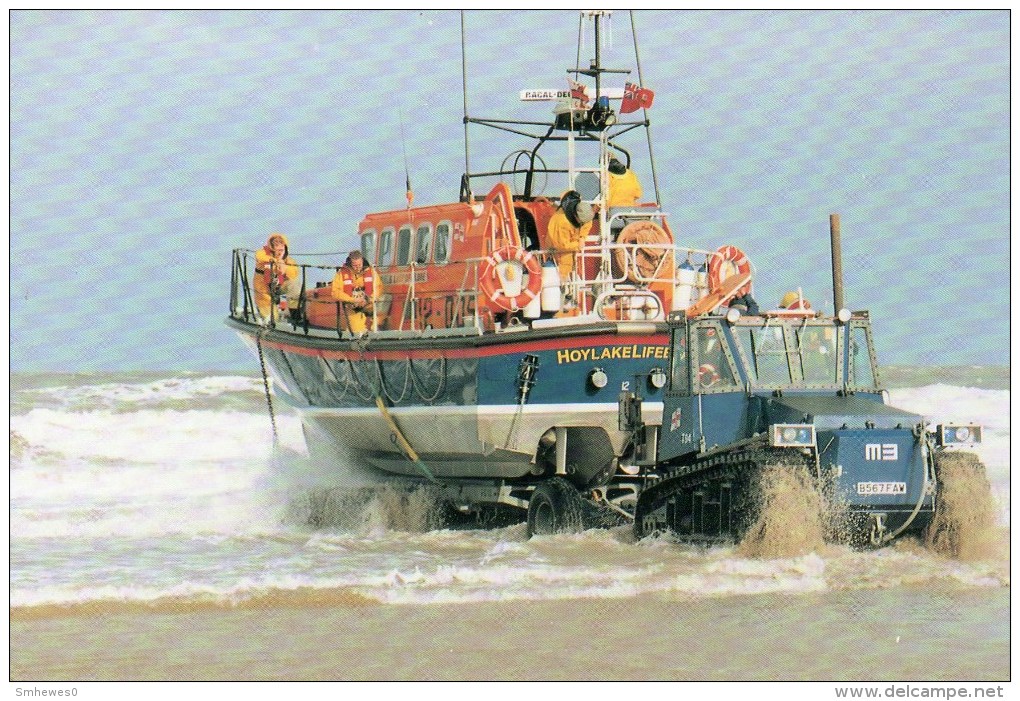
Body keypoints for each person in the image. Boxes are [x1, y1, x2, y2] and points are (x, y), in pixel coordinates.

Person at [332, 250, 382, 335]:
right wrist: (353, 300)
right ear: (350, 263)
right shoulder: (341, 273)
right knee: (357, 331)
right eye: (355, 265)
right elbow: (335, 292)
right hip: (352, 307)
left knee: (383, 304)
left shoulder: (371, 272)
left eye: (359, 265)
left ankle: (377, 329)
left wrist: (369, 298)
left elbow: (378, 287)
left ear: (362, 261)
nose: (358, 267)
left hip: (370, 304)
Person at [253, 232, 301, 323]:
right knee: (273, 319)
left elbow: (294, 273)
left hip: (279, 286)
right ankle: (267, 314)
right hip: (264, 292)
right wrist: (277, 262)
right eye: (277, 249)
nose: (279, 252)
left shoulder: (288, 260)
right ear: (272, 249)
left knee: (294, 284)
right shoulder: (262, 254)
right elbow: (260, 256)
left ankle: (295, 314)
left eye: (282, 250)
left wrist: (285, 268)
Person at [546, 190, 593, 278]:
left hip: (572, 245)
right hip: (559, 250)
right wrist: (578, 245)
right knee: (563, 271)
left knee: (574, 270)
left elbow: (587, 223)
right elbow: (561, 245)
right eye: (582, 222)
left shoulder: (583, 212)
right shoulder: (561, 221)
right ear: (575, 216)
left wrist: (582, 237)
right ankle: (563, 288)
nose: (584, 223)